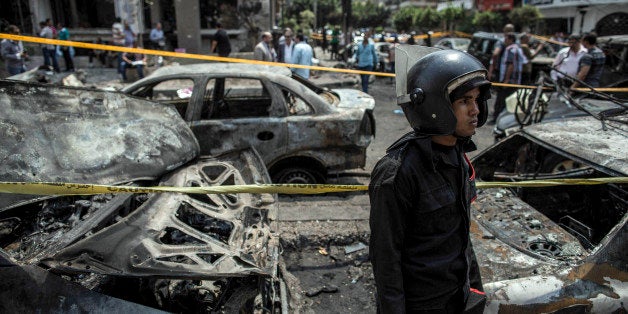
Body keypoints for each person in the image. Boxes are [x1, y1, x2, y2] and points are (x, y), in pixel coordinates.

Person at [369, 47, 490, 313]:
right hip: (421, 305)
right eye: (464, 101)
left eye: (477, 100)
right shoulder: (397, 172)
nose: (475, 110)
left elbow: (460, 237)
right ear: (436, 105)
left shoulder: (458, 155)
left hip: (456, 298)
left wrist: (475, 289)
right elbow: (386, 260)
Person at [490, 33, 525, 123]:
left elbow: (510, 65)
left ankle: (497, 118)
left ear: (511, 40)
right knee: (509, 100)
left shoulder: (510, 49)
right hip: (515, 80)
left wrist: (506, 80)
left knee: (501, 100)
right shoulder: (518, 48)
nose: (505, 41)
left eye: (506, 39)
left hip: (509, 80)